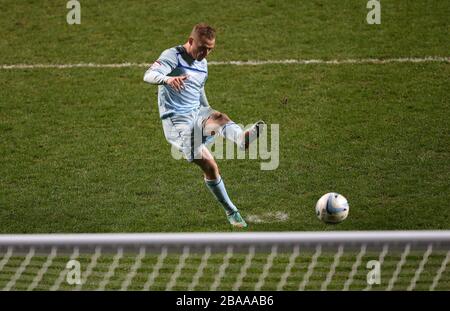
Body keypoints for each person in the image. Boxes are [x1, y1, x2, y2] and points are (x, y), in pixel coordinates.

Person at [143, 23, 264, 228]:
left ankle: (232, 210)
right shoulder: (173, 56)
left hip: (196, 114)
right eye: (202, 47)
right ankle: (231, 207)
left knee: (215, 141)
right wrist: (167, 80)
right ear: (191, 41)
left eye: (210, 49)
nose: (206, 53)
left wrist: (208, 112)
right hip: (178, 124)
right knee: (210, 156)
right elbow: (148, 75)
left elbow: (199, 91)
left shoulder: (203, 63)